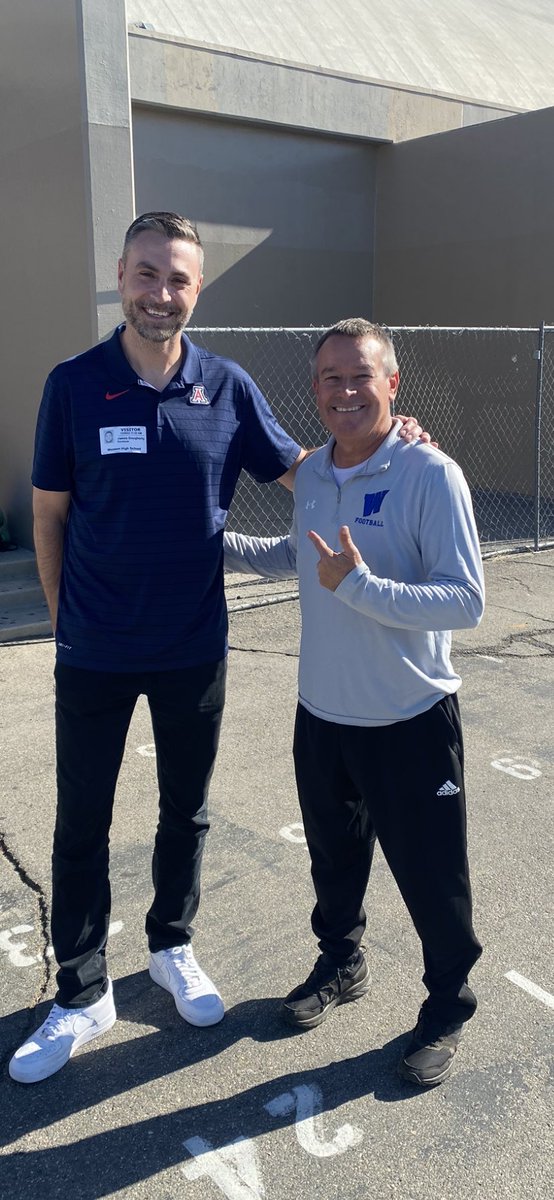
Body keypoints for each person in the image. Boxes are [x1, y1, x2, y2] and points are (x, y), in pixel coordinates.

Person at [9, 215, 423, 1086]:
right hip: (94, 649)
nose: (162, 294)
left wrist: (390, 446)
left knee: (185, 811)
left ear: (198, 291)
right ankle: (81, 993)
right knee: (80, 825)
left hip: (193, 645)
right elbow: (50, 514)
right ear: (120, 273)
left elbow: (311, 471)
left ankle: (171, 944)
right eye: (147, 274)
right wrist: (63, 619)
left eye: (180, 280)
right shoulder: (74, 385)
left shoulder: (225, 387)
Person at [224, 317, 484, 1087]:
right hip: (323, 716)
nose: (344, 391)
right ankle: (342, 963)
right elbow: (295, 557)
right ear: (315, 391)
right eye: (330, 379)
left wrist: (364, 588)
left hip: (409, 721)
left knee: (433, 879)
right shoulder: (313, 474)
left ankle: (447, 1007)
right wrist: (214, 540)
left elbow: (465, 601)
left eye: (360, 376)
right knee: (335, 865)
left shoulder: (431, 474)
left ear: (391, 384)